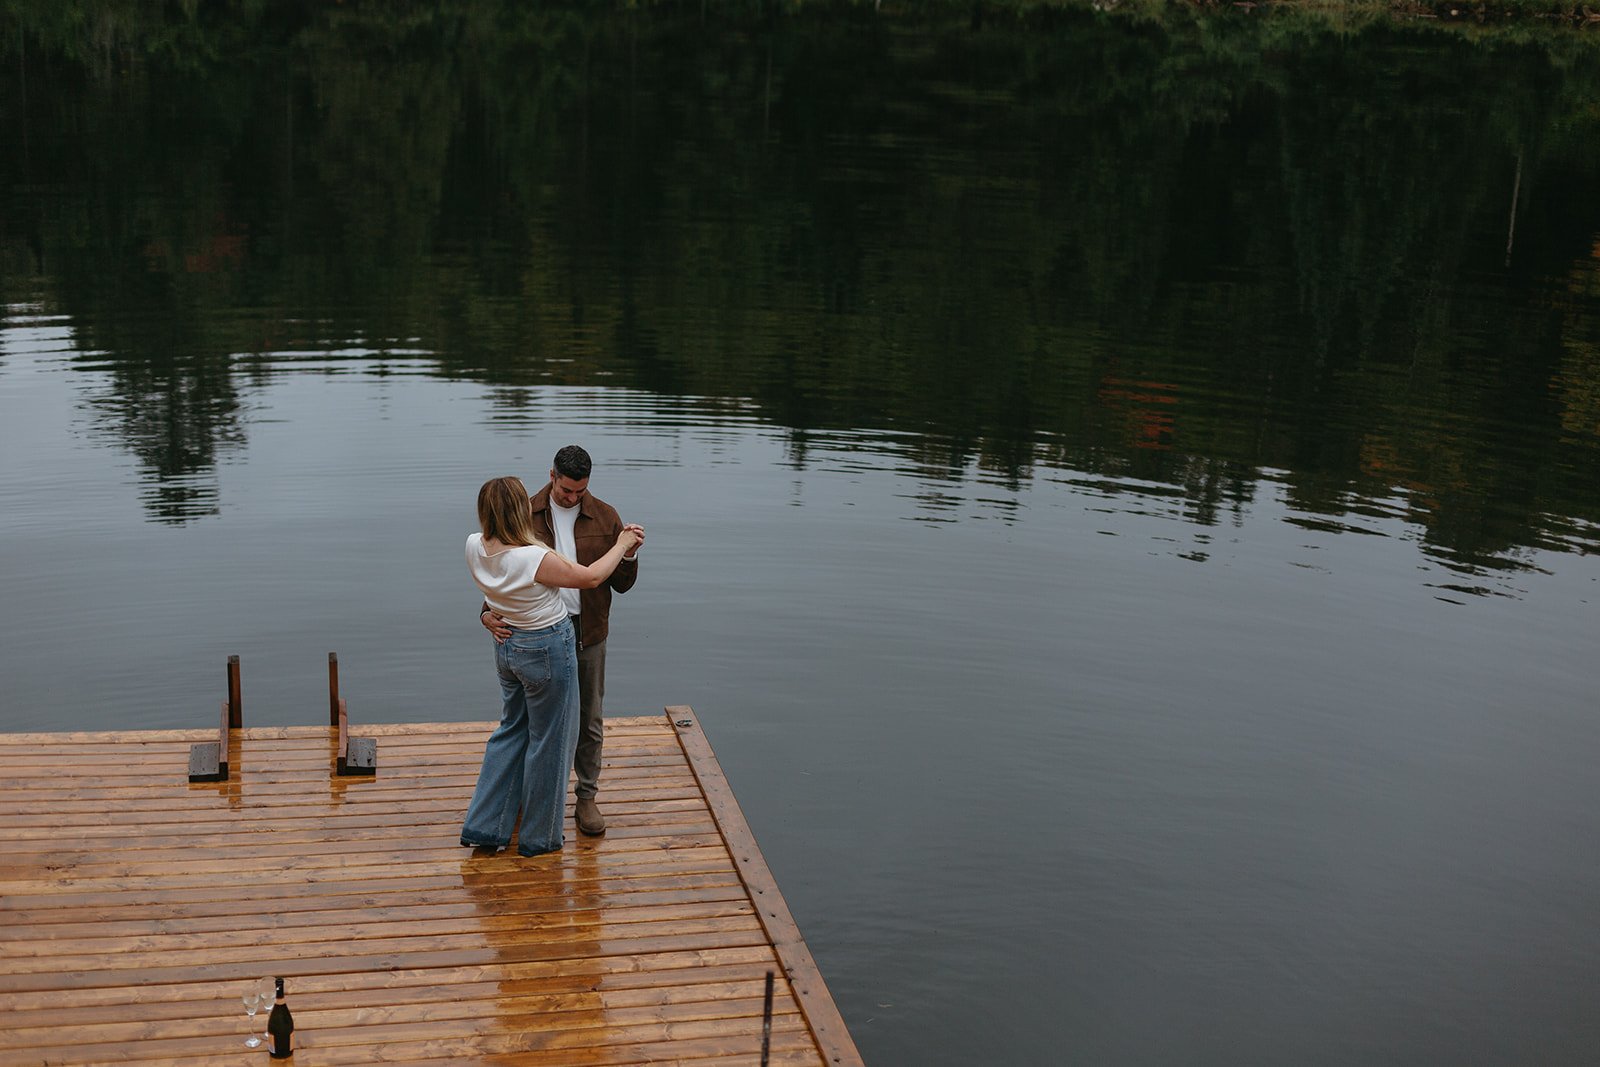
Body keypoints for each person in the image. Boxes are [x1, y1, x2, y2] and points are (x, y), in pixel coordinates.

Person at [461, 475, 643, 857]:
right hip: (546, 647)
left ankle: (485, 825)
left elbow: (499, 588)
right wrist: (623, 544)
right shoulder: (533, 557)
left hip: (507, 646)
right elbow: (591, 577)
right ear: (518, 510)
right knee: (552, 742)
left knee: (510, 731)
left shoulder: (475, 545)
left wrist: (486, 615)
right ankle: (539, 838)